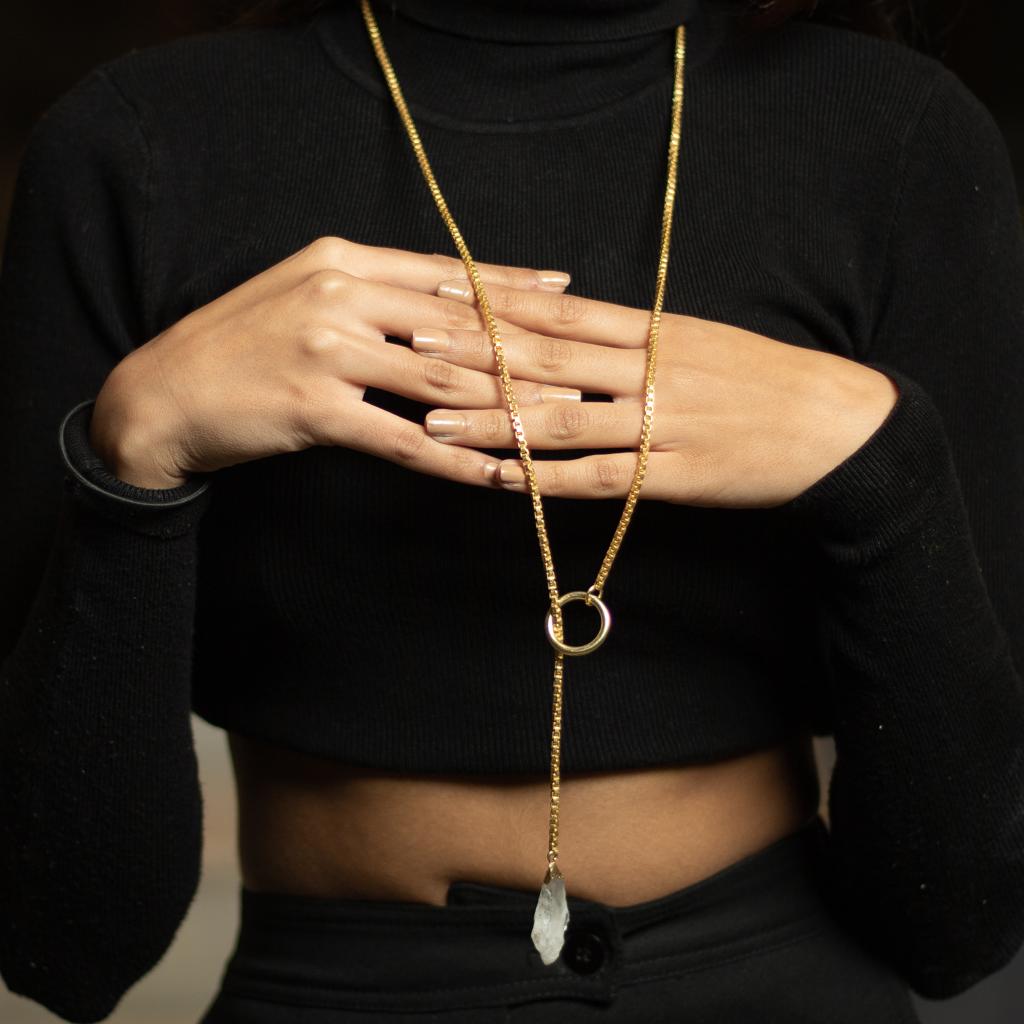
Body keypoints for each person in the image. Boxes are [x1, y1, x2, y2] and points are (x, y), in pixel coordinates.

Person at [1, 0, 1023, 1020]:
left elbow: (961, 925)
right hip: (331, 991)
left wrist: (882, 465)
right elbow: (63, 947)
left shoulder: (897, 133)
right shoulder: (141, 140)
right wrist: (133, 457)